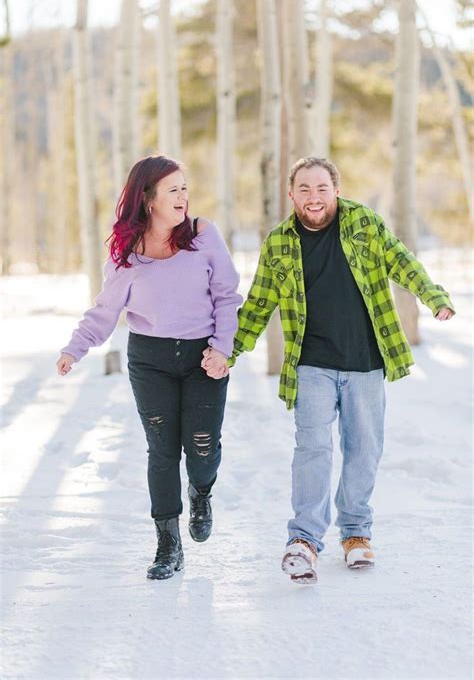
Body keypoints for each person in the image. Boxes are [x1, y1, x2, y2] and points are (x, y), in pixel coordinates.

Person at [203, 156, 455, 585]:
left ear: (336, 189)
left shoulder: (363, 223)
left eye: (321, 188)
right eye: (304, 189)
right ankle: (303, 540)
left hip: (366, 361)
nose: (313, 197)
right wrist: (228, 351)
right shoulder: (280, 242)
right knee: (313, 448)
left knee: (364, 448)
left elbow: (401, 261)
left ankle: (356, 532)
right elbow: (259, 305)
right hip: (311, 364)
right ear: (291, 194)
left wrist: (432, 296)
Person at [57, 155, 241, 581]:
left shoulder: (202, 234)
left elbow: (227, 296)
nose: (183, 196)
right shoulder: (127, 253)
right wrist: (75, 348)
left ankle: (201, 491)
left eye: (184, 187)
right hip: (150, 360)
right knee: (161, 451)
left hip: (203, 357)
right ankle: (167, 544)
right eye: (173, 189)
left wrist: (222, 348)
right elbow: (105, 312)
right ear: (149, 197)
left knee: (201, 446)